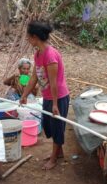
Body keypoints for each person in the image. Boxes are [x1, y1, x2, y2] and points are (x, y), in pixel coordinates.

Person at [20, 21, 70, 170]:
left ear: (35, 37)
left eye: (29, 37)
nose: (28, 39)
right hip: (49, 97)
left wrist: (55, 104)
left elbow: (54, 83)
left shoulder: (50, 55)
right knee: (49, 125)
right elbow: (34, 77)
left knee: (57, 127)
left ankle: (54, 158)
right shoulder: (38, 54)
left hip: (58, 97)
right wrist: (24, 95)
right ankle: (59, 152)